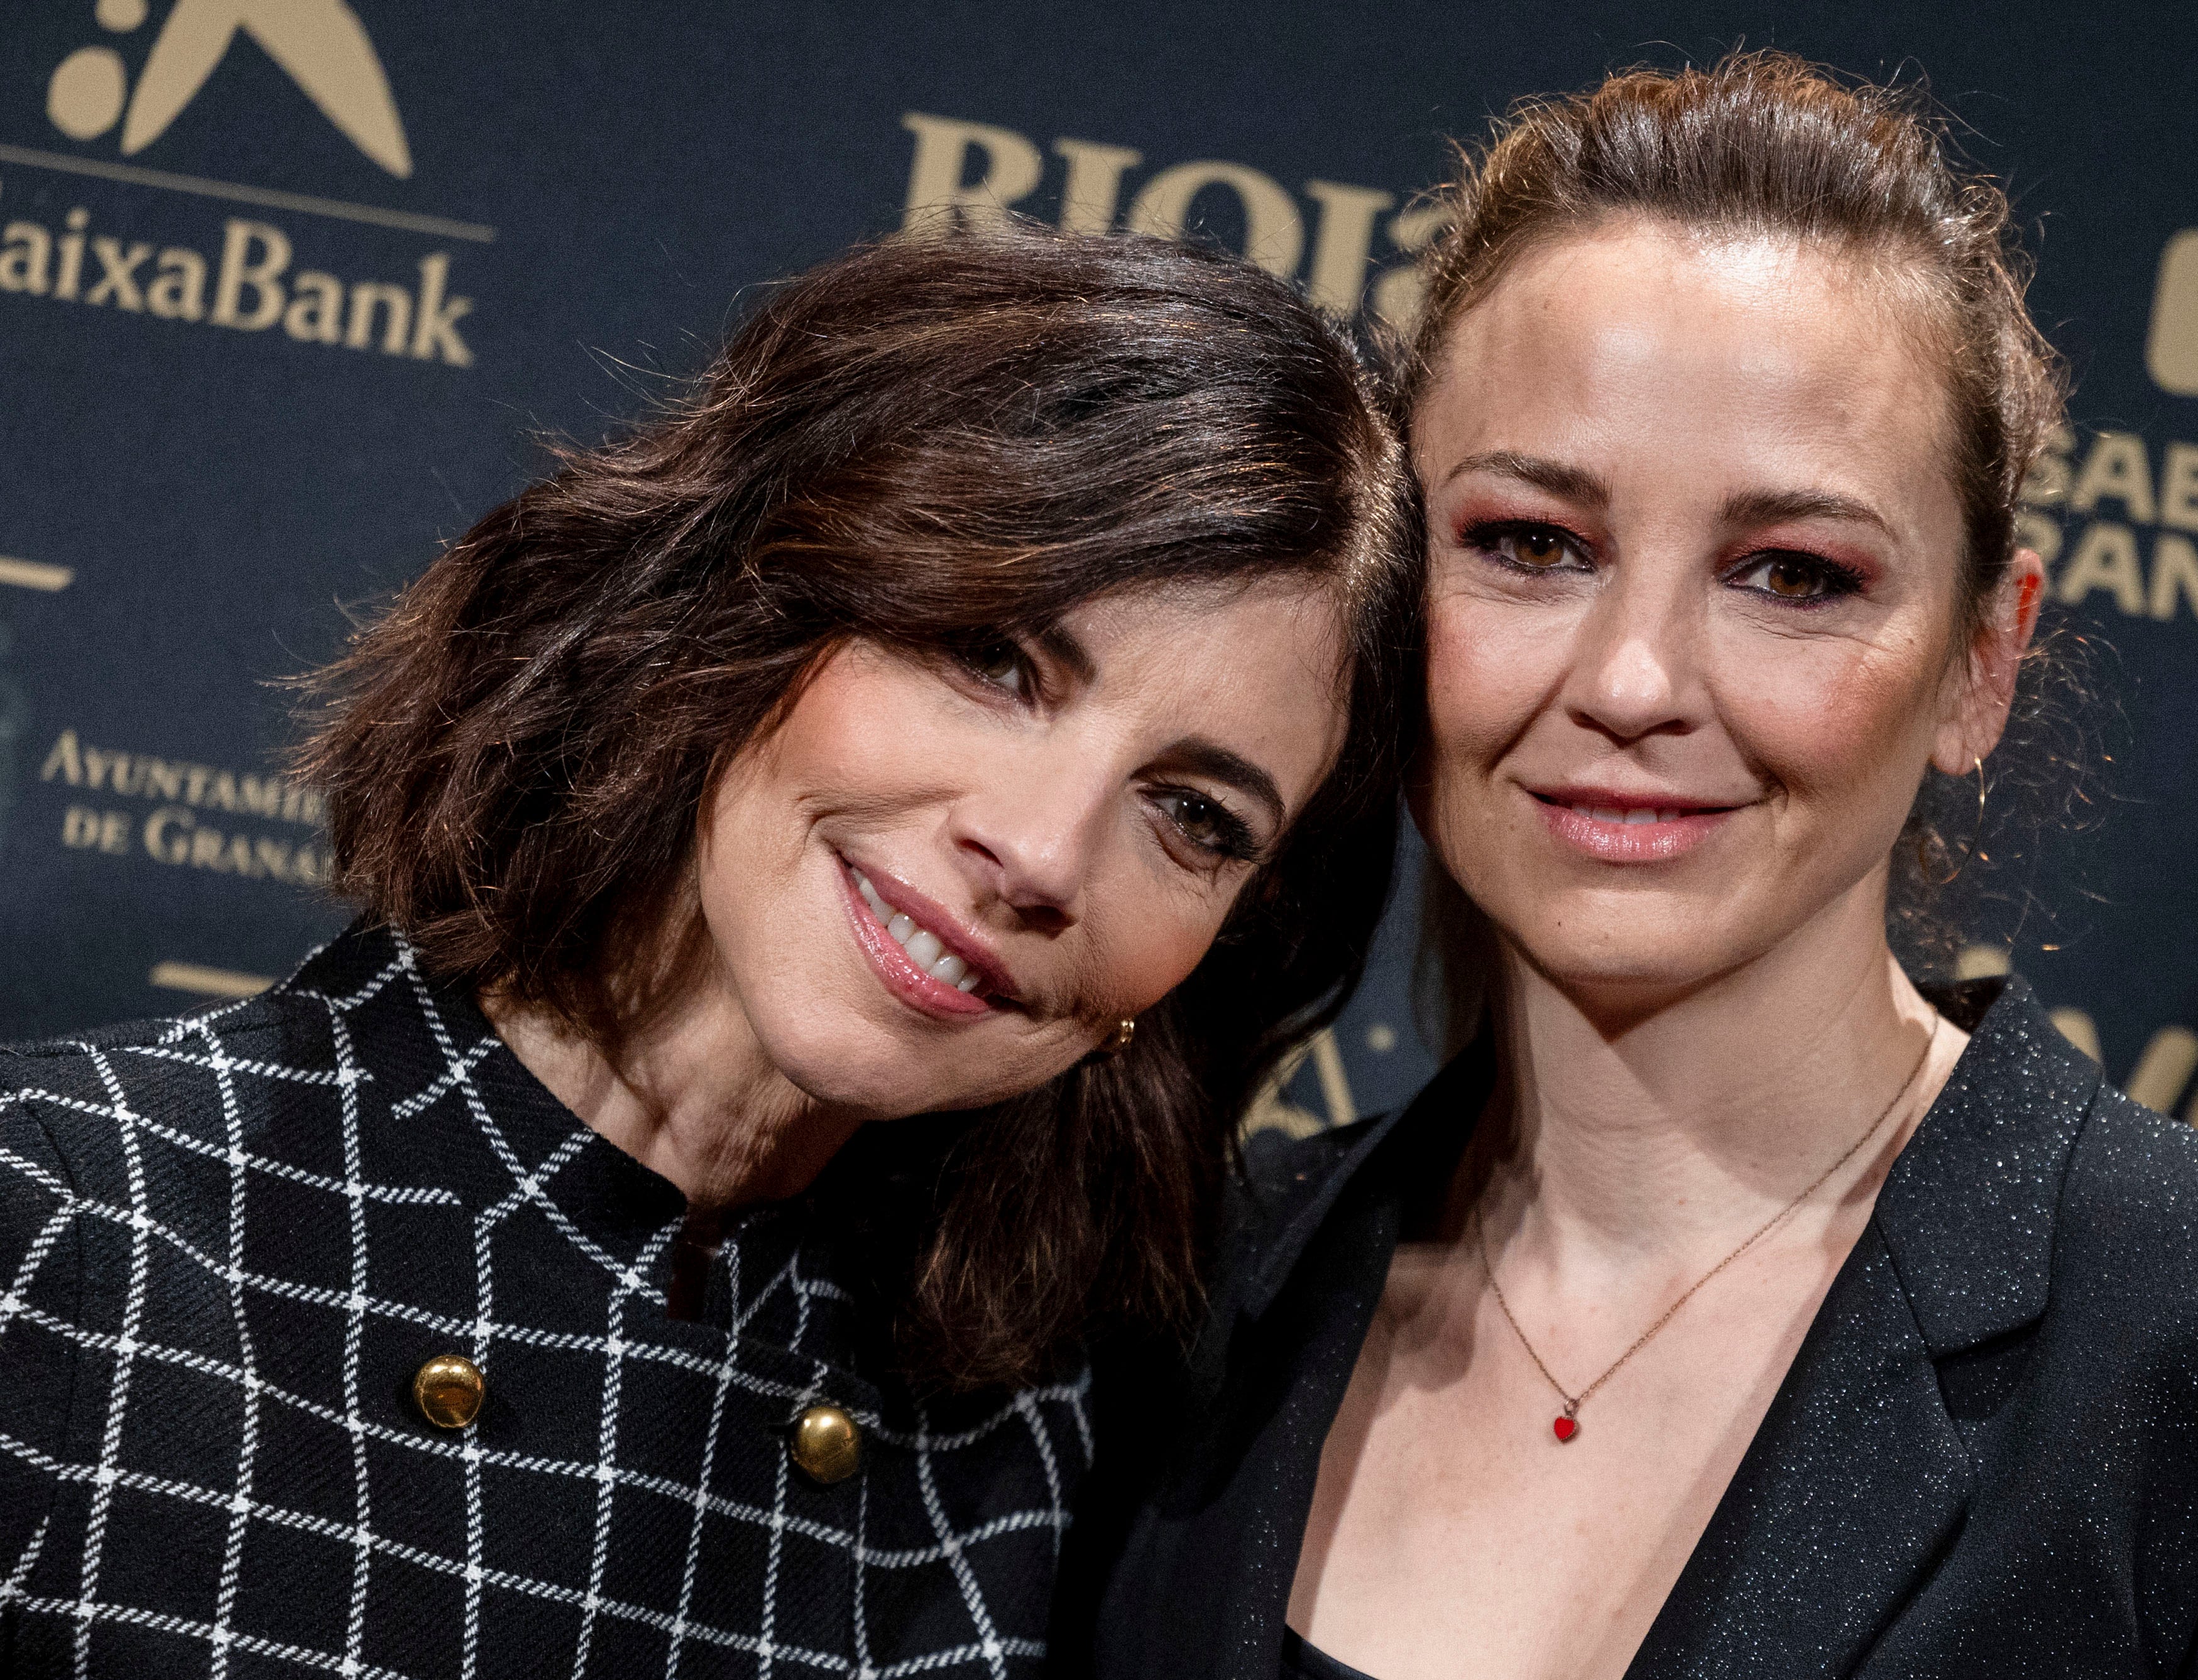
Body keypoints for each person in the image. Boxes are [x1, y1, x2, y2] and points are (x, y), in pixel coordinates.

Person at [1082, 55, 2198, 1679]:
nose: (1631, 681)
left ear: (1981, 663)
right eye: (1530, 545)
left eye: (1790, 573)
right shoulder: (1175, 1283)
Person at [0, 225, 1411, 1676]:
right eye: (993, 659)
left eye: (1189, 813)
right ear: (739, 595)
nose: (1045, 855)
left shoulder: (1073, 1443)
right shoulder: (64, 1229)